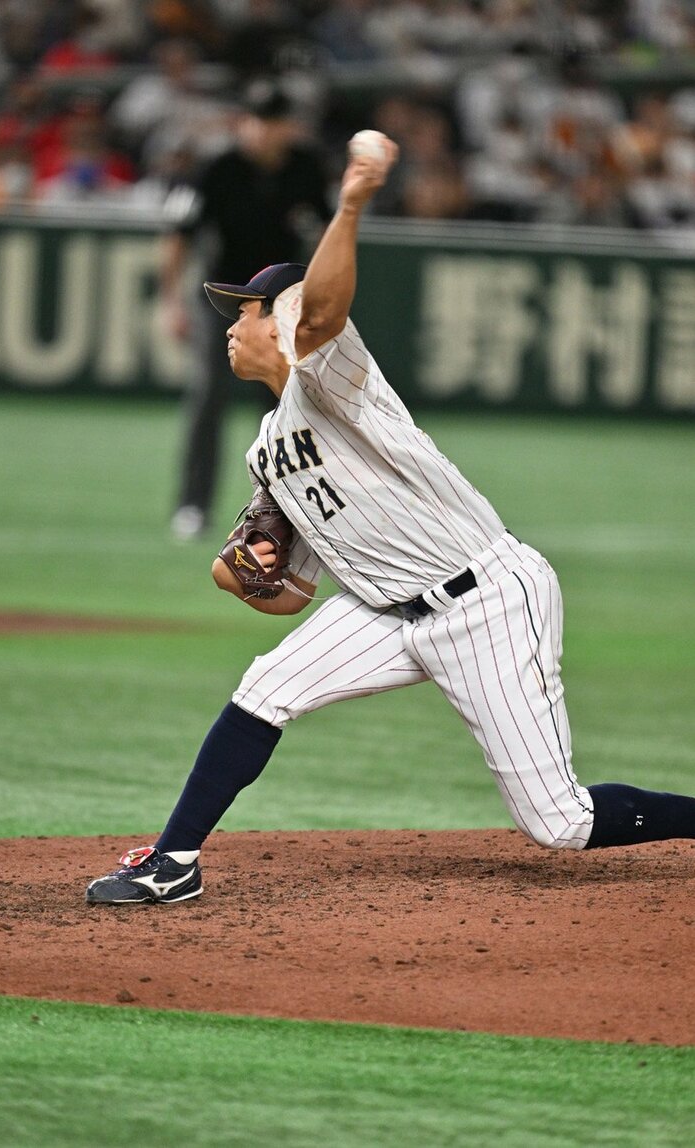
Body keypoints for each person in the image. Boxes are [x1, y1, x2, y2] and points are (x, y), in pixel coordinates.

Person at [87, 132, 695, 906]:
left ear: (280, 319)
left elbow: (323, 309)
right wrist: (248, 579)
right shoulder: (268, 451)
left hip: (485, 601)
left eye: (243, 311)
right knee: (266, 686)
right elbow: (288, 594)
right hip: (382, 607)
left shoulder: (330, 377)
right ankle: (172, 862)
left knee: (560, 822)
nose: (230, 325)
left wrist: (350, 203)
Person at [161, 78, 331, 541]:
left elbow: (326, 239)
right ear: (244, 123)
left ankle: (290, 509)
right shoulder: (218, 169)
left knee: (288, 409)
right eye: (259, 121)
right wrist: (171, 301)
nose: (266, 131)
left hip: (282, 309)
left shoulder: (306, 169)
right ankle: (193, 506)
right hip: (222, 305)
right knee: (207, 403)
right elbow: (179, 235)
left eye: (275, 122)